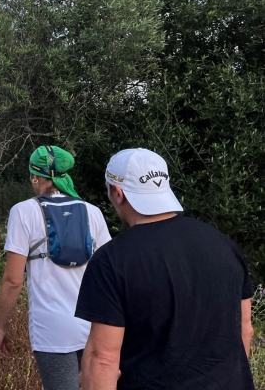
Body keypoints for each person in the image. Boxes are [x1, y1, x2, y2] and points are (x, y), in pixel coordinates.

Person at [75, 148, 255, 390]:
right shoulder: (224, 245)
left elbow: (102, 359)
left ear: (118, 193)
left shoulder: (112, 260)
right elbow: (245, 329)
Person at [0, 146, 111, 390]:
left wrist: (1, 326)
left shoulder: (23, 212)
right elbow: (108, 274)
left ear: (35, 176)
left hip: (52, 330)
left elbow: (13, 280)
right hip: (95, 326)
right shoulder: (93, 212)